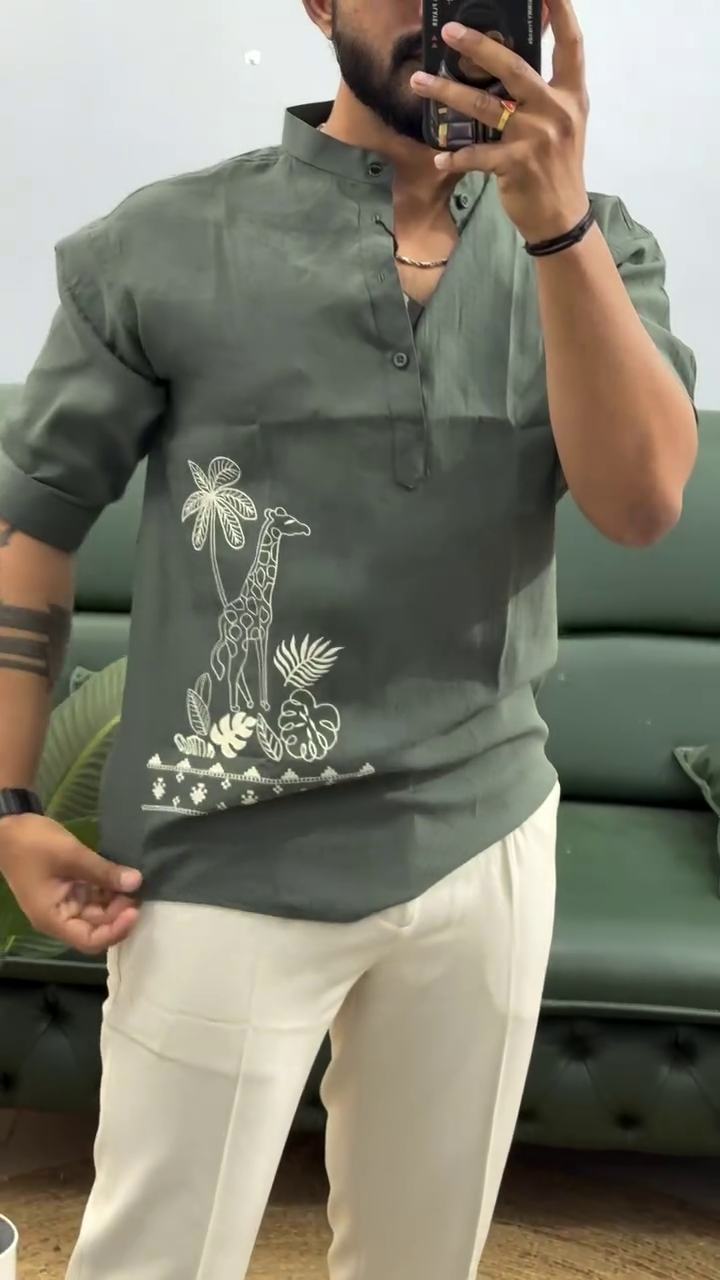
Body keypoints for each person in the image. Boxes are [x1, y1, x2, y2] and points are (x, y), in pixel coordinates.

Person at [0, 0, 697, 1276]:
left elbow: (643, 504)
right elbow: (32, 523)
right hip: (216, 857)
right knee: (152, 1256)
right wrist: (7, 802)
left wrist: (560, 224)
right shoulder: (164, 243)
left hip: (484, 837)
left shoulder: (598, 246)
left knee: (423, 1258)